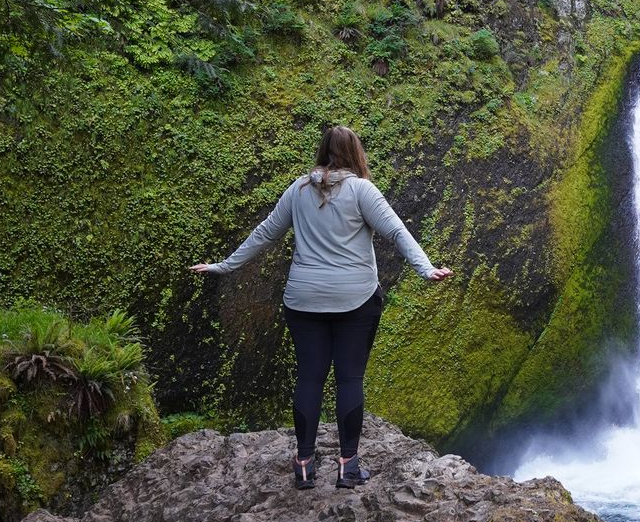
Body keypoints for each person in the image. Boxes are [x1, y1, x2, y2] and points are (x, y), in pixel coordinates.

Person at [191, 124, 451, 490]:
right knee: (348, 378)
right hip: (356, 299)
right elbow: (396, 232)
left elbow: (266, 232)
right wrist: (426, 269)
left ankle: (304, 465)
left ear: (323, 151)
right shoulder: (363, 191)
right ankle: (348, 467)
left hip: (304, 300)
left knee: (309, 377)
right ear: (356, 153)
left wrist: (224, 265)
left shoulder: (298, 191)